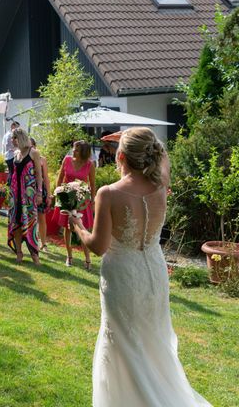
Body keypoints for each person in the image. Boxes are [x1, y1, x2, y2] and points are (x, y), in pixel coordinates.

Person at [69, 127, 211, 407]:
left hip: (123, 276)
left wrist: (78, 225)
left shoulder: (108, 193)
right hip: (154, 273)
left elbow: (98, 246)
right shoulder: (160, 188)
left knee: (123, 343)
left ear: (120, 156)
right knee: (150, 341)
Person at [53, 140, 96, 270]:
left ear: (83, 152)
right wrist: (58, 193)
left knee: (82, 229)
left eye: (76, 149)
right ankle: (69, 256)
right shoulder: (66, 160)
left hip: (82, 200)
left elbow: (92, 184)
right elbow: (60, 179)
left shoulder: (90, 165)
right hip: (66, 197)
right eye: (73, 148)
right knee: (67, 227)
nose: (73, 151)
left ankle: (87, 259)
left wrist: (92, 201)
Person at [7, 128, 42, 265]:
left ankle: (34, 254)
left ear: (19, 138)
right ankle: (19, 252)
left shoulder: (33, 153)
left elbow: (38, 174)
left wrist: (39, 192)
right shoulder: (16, 154)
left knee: (31, 222)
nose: (12, 140)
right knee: (15, 221)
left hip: (29, 194)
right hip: (15, 193)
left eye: (14, 138)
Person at [31, 138, 51, 251]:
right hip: (28, 190)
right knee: (30, 218)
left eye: (33, 146)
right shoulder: (25, 159)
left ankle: (43, 243)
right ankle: (32, 241)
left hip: (40, 190)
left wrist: (48, 194)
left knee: (41, 217)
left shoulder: (42, 159)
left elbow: (46, 178)